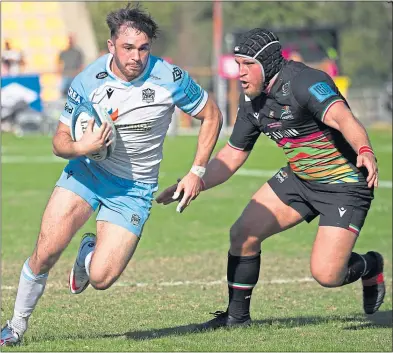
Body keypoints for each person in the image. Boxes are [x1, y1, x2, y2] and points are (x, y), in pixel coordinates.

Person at [1, 4, 222, 346]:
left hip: (134, 189)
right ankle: (14, 327)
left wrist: (196, 172)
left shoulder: (170, 78)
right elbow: (59, 142)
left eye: (144, 48)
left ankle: (88, 252)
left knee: (101, 278)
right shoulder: (89, 79)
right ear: (111, 46)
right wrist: (82, 146)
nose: (136, 56)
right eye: (128, 48)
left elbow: (211, 115)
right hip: (87, 173)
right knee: (45, 251)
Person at [156, 28, 385, 329]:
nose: (240, 73)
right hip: (300, 179)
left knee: (327, 274)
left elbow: (342, 118)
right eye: (237, 64)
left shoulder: (305, 82)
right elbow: (232, 155)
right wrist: (194, 179)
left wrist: (365, 150)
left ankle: (371, 265)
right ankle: (236, 320)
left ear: (268, 64)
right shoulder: (252, 100)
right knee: (243, 233)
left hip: (344, 186)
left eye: (247, 64)